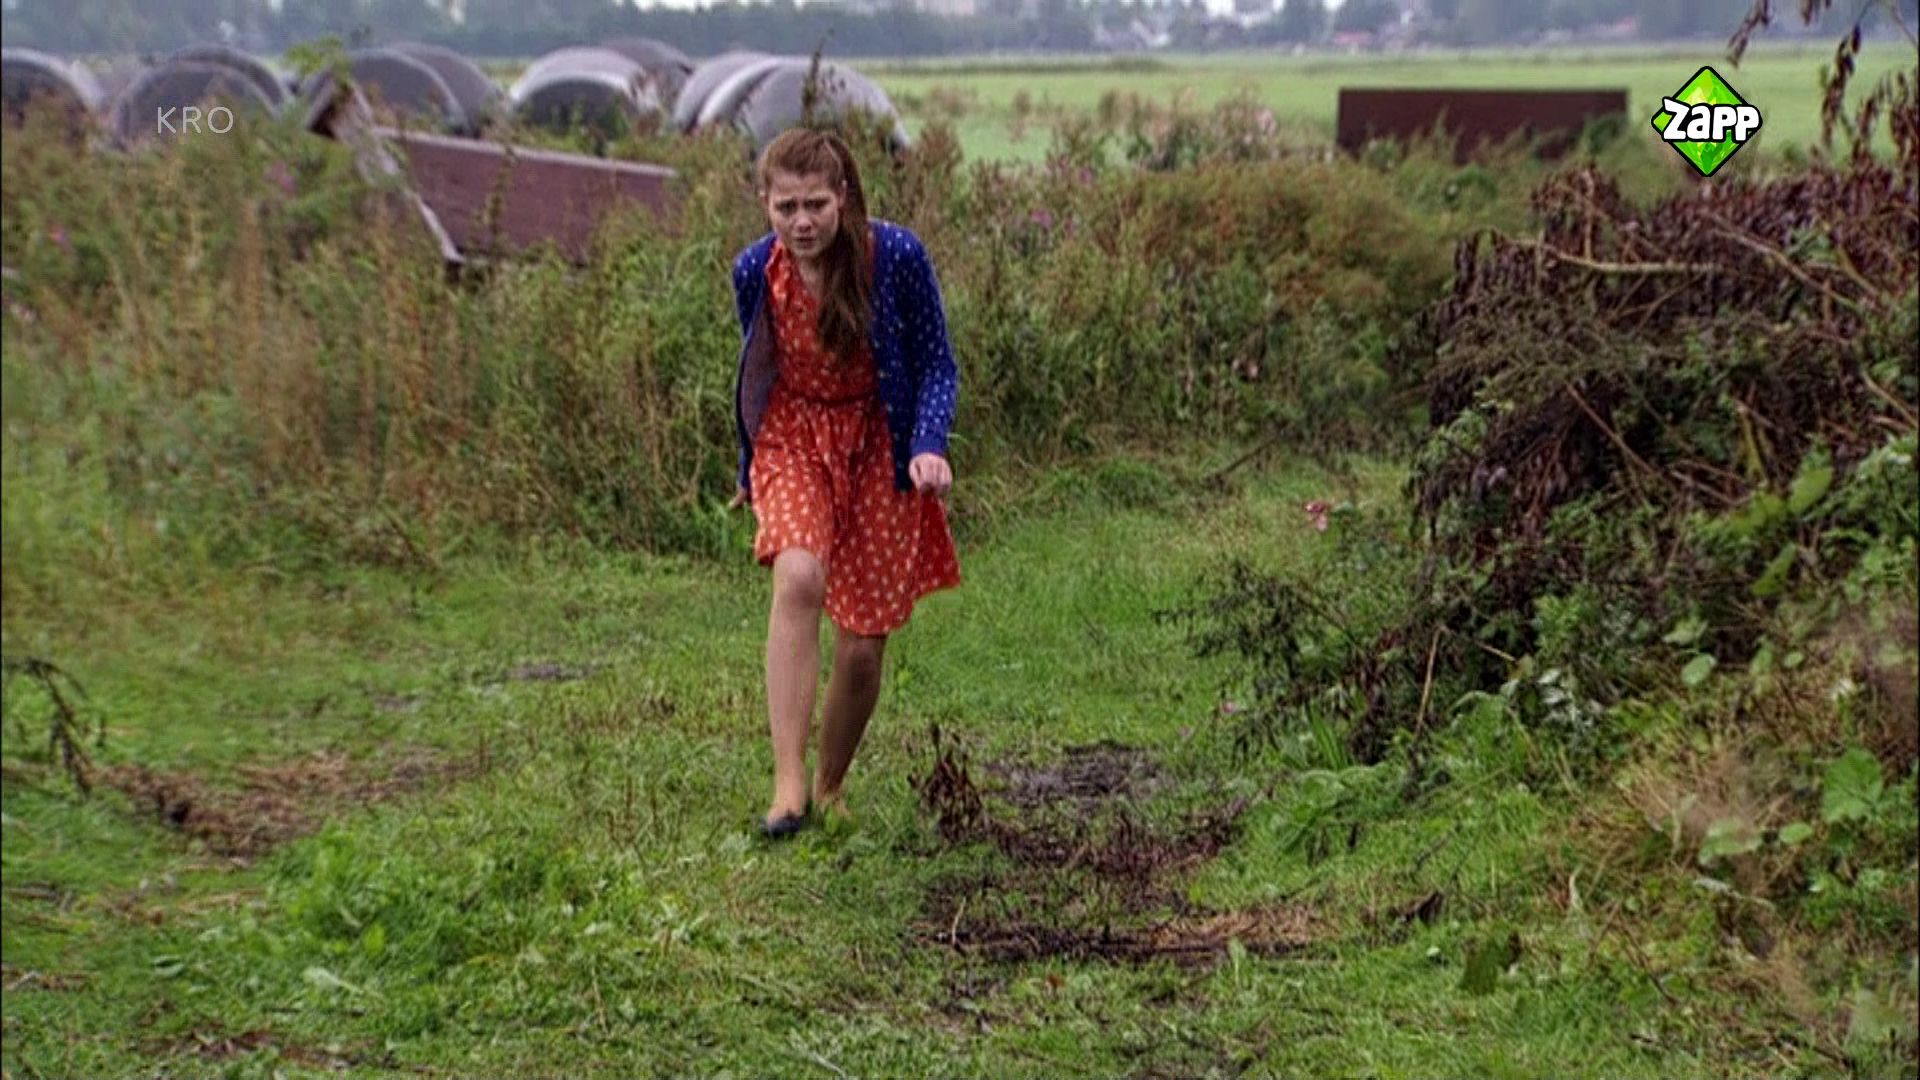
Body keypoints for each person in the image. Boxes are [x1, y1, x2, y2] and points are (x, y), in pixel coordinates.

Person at [729, 127, 962, 839]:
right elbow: (757, 373)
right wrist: (747, 466)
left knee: (862, 646)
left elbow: (938, 364)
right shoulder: (754, 270)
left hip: (878, 440)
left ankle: (830, 785)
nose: (801, 222)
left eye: (816, 206)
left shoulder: (896, 257)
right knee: (799, 575)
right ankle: (788, 788)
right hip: (795, 434)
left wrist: (927, 445)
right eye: (786, 207)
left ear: (844, 197)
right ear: (766, 204)